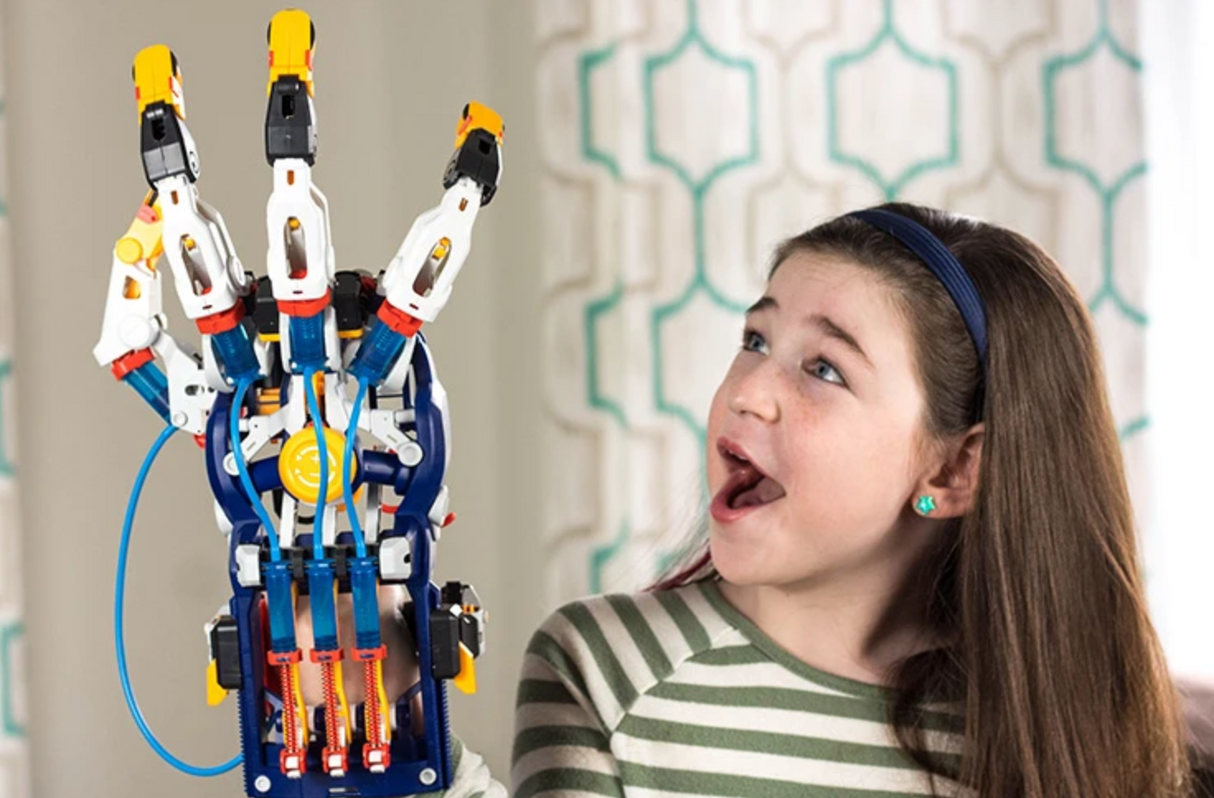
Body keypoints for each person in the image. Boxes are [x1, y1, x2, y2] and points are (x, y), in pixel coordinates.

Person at [294, 202, 1195, 797]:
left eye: (824, 367)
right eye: (755, 336)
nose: (750, 389)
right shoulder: (605, 671)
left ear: (954, 472)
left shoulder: (1065, 735)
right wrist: (397, 715)